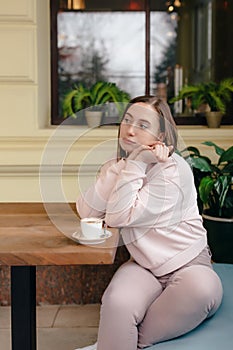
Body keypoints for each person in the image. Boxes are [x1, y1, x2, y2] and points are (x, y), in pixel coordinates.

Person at [75, 96, 223, 350]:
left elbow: (118, 216)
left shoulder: (173, 172)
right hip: (143, 266)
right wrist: (124, 166)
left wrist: (137, 163)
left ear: (162, 135)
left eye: (143, 125)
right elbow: (87, 210)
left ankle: (128, 344)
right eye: (127, 120)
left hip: (187, 266)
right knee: (117, 301)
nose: (130, 130)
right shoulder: (122, 165)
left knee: (203, 290)